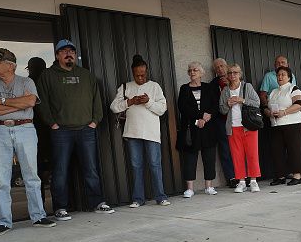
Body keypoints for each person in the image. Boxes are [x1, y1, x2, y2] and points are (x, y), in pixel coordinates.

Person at [0, 48, 56, 236]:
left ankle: (38, 216)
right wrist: (15, 104)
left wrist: (2, 102)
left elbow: (30, 102)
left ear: (10, 65)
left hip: (25, 128)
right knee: (1, 178)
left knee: (31, 175)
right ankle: (4, 221)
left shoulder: (26, 81)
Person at [37, 39, 114, 220]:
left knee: (91, 169)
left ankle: (98, 203)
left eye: (71, 50)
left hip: (86, 130)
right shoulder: (47, 76)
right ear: (57, 55)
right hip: (61, 131)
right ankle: (60, 208)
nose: (68, 53)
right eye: (63, 51)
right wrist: (52, 123)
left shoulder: (86, 75)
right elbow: (41, 102)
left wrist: (95, 121)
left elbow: (97, 100)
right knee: (60, 170)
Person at [110, 55, 170, 208]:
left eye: (143, 74)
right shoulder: (125, 87)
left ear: (147, 71)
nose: (141, 77)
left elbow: (162, 109)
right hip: (132, 132)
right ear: (133, 72)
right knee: (136, 166)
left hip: (151, 132)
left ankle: (160, 196)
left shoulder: (154, 86)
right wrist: (130, 101)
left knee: (155, 164)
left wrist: (148, 101)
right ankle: (138, 198)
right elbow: (113, 107)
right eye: (137, 75)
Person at [177, 62, 219, 198]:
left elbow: (215, 105)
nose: (192, 72)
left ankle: (209, 186)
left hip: (208, 127)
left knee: (209, 156)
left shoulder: (209, 88)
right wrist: (200, 116)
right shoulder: (184, 89)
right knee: (190, 157)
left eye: (195, 70)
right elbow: (183, 108)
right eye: (190, 70)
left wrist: (205, 118)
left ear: (201, 73)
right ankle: (189, 188)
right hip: (190, 128)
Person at [219, 63, 261, 193]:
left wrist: (242, 100)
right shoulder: (225, 90)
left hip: (248, 125)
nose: (232, 75)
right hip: (233, 127)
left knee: (252, 154)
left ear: (240, 74)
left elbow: (257, 102)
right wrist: (228, 104)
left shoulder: (246, 86)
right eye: (230, 73)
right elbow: (221, 109)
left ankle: (253, 181)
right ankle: (241, 182)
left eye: (235, 73)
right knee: (237, 155)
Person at [265, 66, 301, 186]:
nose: (280, 77)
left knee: (293, 149)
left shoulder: (293, 89)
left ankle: (297, 176)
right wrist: (269, 113)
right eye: (278, 75)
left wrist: (284, 112)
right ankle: (280, 176)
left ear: (289, 77)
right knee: (277, 151)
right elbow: (266, 108)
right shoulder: (273, 92)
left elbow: (299, 104)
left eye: (283, 75)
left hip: (292, 124)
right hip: (276, 124)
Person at [209, 58, 236, 188]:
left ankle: (243, 176)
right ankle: (231, 177)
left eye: (222, 66)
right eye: (217, 67)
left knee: (238, 148)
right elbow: (212, 104)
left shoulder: (235, 80)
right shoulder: (212, 84)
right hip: (221, 121)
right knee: (225, 149)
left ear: (227, 66)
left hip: (237, 119)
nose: (220, 69)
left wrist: (229, 84)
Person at [27, 57, 51, 205]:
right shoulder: (28, 84)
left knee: (37, 172)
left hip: (41, 130)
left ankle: (40, 206)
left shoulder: (31, 83)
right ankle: (56, 206)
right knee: (40, 171)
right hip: (42, 130)